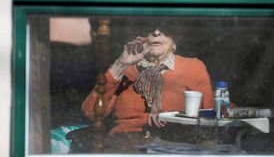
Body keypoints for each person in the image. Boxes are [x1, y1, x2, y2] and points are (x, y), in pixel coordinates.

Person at [81, 21, 214, 153]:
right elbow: (91, 113)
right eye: (150, 27)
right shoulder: (125, 69)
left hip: (173, 143)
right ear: (139, 37)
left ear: (175, 39)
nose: (156, 32)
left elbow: (212, 113)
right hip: (125, 145)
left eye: (164, 28)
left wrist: (168, 116)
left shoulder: (193, 68)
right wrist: (120, 65)